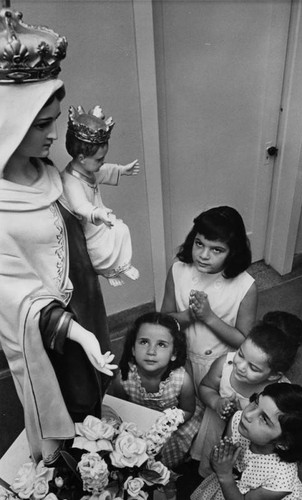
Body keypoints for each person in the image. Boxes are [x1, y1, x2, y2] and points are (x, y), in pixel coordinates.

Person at [0, 7, 117, 465]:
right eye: (41, 124)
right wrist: (75, 332)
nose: (55, 133)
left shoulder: (47, 170)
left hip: (84, 302)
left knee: (92, 388)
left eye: (54, 119)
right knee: (65, 405)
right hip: (49, 329)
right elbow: (12, 292)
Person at [161, 206, 257, 463]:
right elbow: (163, 321)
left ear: (233, 251)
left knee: (215, 422)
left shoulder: (244, 286)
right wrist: (189, 316)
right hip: (184, 361)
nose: (203, 255)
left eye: (217, 250)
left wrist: (209, 318)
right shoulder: (178, 270)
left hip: (218, 367)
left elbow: (245, 342)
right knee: (180, 414)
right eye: (199, 244)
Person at [197, 311, 302, 477]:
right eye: (240, 354)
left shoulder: (280, 393)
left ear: (274, 375)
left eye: (253, 368)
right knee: (211, 463)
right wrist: (216, 402)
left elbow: (283, 432)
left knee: (239, 477)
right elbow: (205, 387)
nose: (240, 366)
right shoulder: (225, 365)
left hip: (250, 442)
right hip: (216, 428)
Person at [191, 383, 302, 500]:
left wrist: (225, 475)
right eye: (256, 402)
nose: (248, 415)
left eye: (264, 419)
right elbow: (222, 459)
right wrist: (219, 461)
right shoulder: (239, 422)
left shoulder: (281, 479)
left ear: (283, 443)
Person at [60, 104, 140, 287]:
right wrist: (97, 214)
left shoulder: (88, 169)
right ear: (81, 158)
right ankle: (106, 270)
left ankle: (120, 266)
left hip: (98, 217)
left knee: (122, 230)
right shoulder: (70, 179)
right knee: (100, 247)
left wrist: (122, 170)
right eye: (98, 160)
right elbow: (80, 205)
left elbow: (102, 171)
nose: (101, 163)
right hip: (87, 223)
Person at [111, 312, 198, 474]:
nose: (151, 351)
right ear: (133, 349)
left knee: (165, 462)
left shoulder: (181, 380)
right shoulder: (124, 379)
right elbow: (117, 410)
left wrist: (165, 426)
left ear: (174, 354)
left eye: (162, 344)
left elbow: (188, 410)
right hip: (137, 429)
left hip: (169, 432)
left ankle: (166, 474)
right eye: (144, 342)